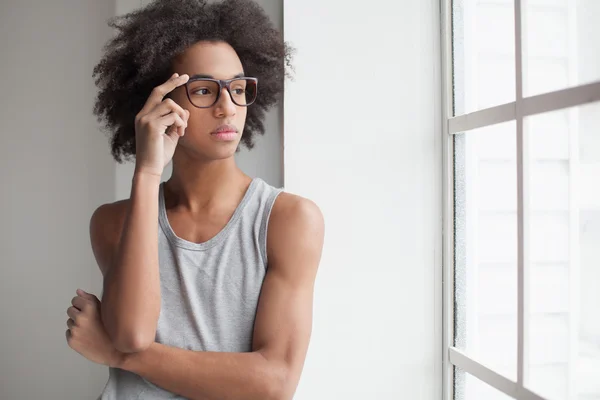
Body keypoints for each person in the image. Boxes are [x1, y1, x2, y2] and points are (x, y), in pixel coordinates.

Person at [64, 0, 324, 399]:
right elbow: (133, 332)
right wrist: (147, 173)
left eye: (238, 89)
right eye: (203, 90)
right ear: (157, 102)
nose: (227, 108)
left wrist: (117, 355)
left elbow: (274, 383)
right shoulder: (113, 221)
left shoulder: (288, 220)